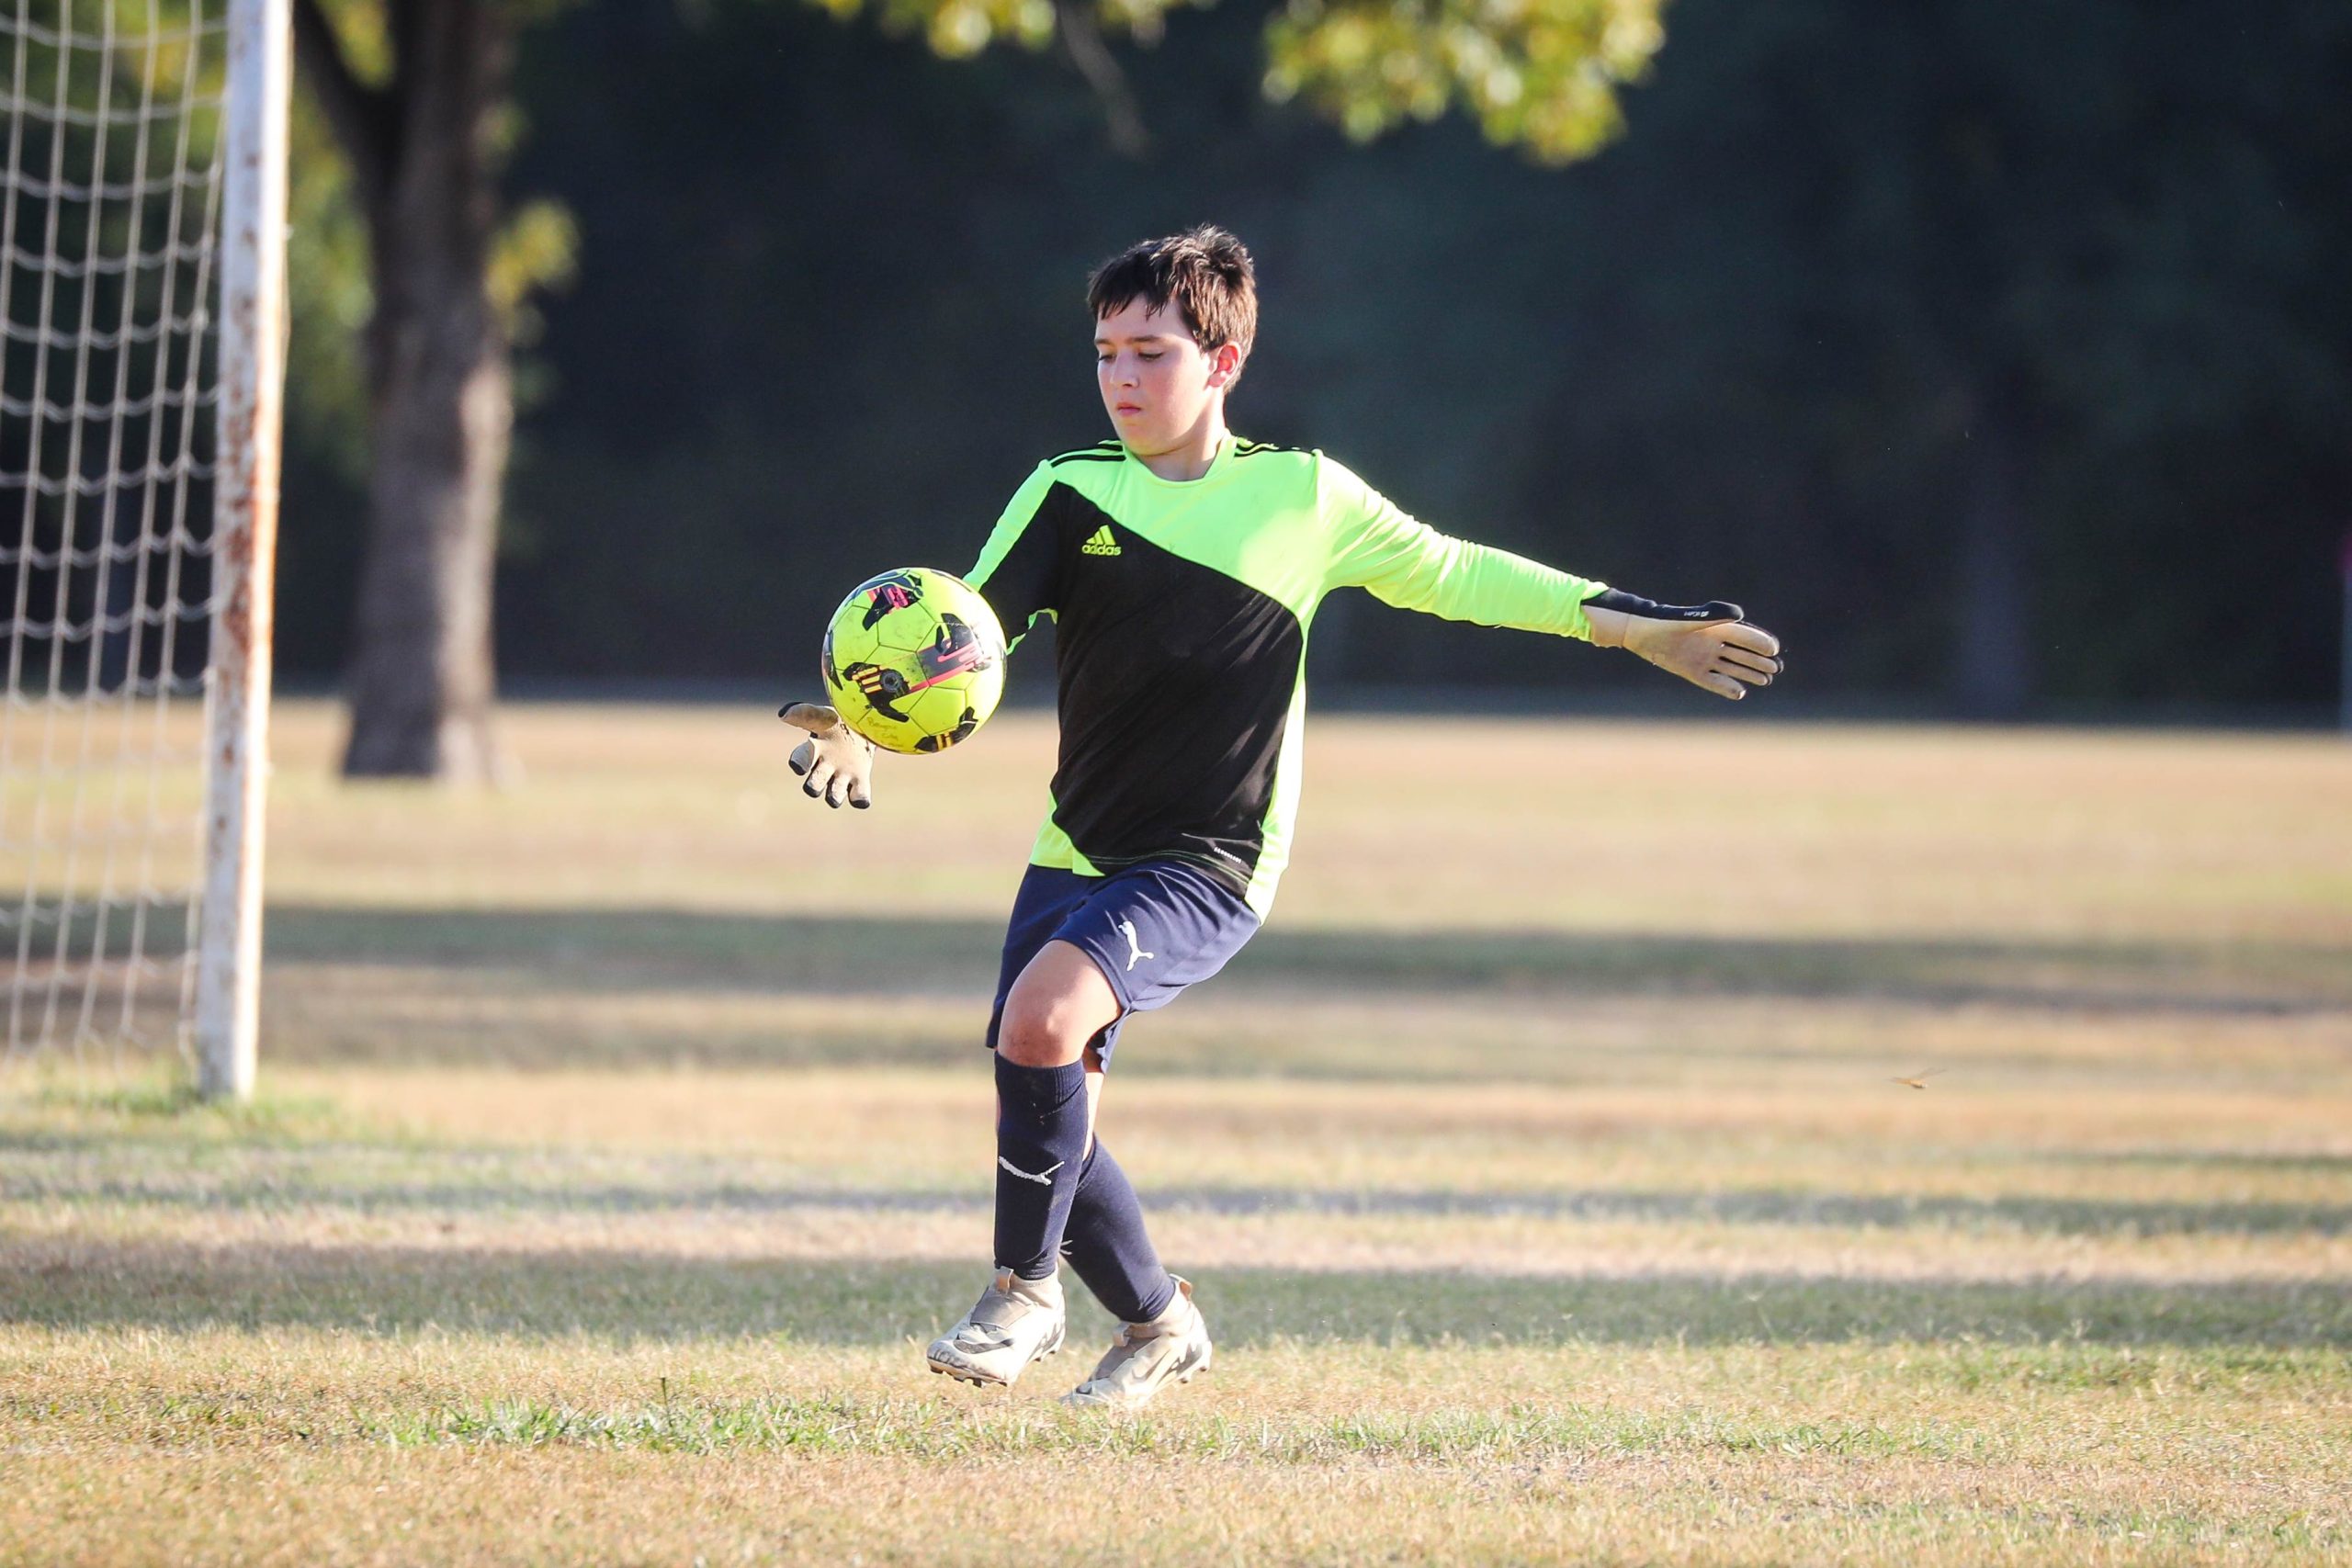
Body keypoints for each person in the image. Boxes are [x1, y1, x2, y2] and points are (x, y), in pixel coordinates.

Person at [778, 225, 1782, 1411]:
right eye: (1105, 353)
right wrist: (860, 721)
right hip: (1076, 849)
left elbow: (1463, 574)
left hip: (1212, 861)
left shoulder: (1305, 497)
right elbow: (956, 639)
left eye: (1151, 353)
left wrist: (1639, 624)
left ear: (1225, 361)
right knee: (1044, 1092)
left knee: (1041, 1024)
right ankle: (1159, 1325)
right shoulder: (1066, 489)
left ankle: (1024, 1294)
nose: (1121, 378)